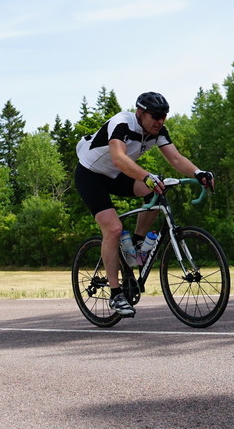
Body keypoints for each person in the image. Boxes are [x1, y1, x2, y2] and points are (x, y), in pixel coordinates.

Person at [74, 92, 214, 317]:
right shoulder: (122, 123)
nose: (160, 121)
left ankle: (137, 244)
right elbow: (119, 158)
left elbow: (176, 159)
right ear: (140, 113)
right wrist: (147, 175)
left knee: (158, 188)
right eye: (155, 116)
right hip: (90, 175)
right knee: (114, 229)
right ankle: (116, 294)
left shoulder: (157, 132)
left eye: (164, 117)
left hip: (115, 175)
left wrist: (198, 173)